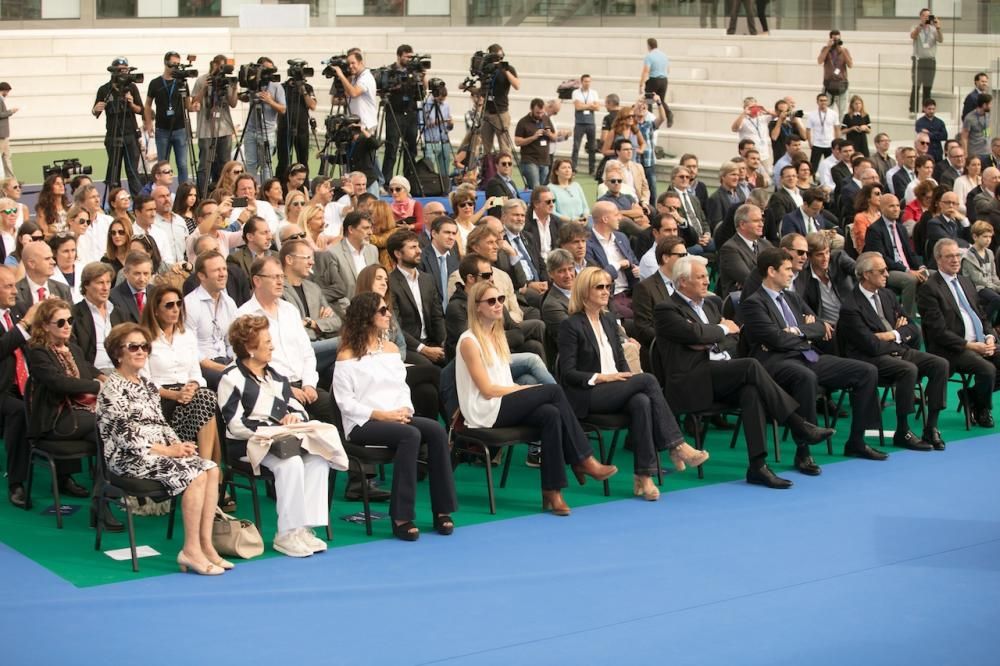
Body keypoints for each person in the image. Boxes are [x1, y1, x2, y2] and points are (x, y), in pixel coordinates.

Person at [656, 255, 834, 488]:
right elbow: (699, 335)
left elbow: (733, 338)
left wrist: (710, 336)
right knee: (751, 365)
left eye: (707, 276)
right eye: (700, 277)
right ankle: (798, 424)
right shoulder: (666, 309)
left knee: (751, 390)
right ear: (681, 282)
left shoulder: (711, 304)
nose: (706, 281)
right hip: (692, 381)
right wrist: (718, 330)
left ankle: (758, 466)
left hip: (722, 373)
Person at [457, 280, 617, 515]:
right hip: (484, 410)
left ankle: (552, 492)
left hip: (502, 402)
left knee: (550, 414)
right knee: (552, 391)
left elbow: (502, 383)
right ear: (477, 307)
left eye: (501, 299)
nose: (498, 304)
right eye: (491, 301)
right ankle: (583, 459)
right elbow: (487, 390)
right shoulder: (469, 341)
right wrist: (523, 391)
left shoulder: (497, 335)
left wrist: (520, 390)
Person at [559, 267, 705, 500]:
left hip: (615, 387)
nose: (606, 291)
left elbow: (619, 361)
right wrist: (601, 377)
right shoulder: (571, 325)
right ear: (584, 291)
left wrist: (626, 379)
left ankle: (643, 477)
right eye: (600, 287)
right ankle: (676, 445)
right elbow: (567, 373)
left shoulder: (608, 319)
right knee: (647, 379)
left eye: (608, 287)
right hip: (588, 394)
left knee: (641, 401)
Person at [96, 322, 223, 572]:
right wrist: (167, 451)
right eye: (134, 346)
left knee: (211, 469)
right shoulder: (111, 389)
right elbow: (126, 437)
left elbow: (161, 424)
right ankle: (191, 550)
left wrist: (178, 444)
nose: (141, 351)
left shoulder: (146, 383)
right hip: (129, 459)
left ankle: (206, 544)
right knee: (196, 476)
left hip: (158, 454)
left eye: (145, 346)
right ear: (118, 353)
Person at [741, 248, 886, 462]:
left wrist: (798, 331)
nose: (792, 274)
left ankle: (857, 441)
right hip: (775, 362)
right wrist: (803, 334)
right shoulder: (754, 303)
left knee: (866, 371)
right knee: (805, 378)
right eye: (788, 269)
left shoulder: (792, 297)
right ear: (771, 271)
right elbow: (776, 340)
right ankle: (804, 452)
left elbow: (821, 327)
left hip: (807, 356)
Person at [333, 292, 456, 540]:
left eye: (387, 309)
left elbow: (402, 388)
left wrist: (404, 411)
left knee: (434, 430)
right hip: (362, 423)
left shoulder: (390, 349)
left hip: (395, 418)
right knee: (410, 435)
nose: (388, 314)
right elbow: (345, 403)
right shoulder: (346, 355)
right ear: (366, 316)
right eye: (382, 310)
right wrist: (382, 415)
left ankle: (442, 510)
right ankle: (401, 516)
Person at [218, 315, 333, 558]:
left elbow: (297, 406)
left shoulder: (276, 375)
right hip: (246, 446)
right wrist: (271, 429)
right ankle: (286, 533)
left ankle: (303, 529)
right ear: (250, 347)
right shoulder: (230, 378)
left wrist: (293, 418)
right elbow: (236, 424)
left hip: (282, 440)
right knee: (290, 462)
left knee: (318, 459)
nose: (272, 346)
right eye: (266, 341)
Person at [839, 251, 949, 451]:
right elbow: (870, 346)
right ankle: (903, 431)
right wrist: (898, 333)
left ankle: (931, 427)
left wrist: (891, 334)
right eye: (881, 271)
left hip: (896, 349)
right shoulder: (850, 306)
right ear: (866, 275)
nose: (887, 275)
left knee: (940, 364)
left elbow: (913, 329)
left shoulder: (888, 295)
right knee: (908, 370)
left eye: (886, 270)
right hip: (869, 359)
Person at [25, 299, 112, 512]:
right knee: (107, 423)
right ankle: (105, 499)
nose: (67, 326)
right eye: (61, 322)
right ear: (45, 325)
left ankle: (102, 502)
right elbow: (59, 383)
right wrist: (96, 386)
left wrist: (103, 377)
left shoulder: (73, 348)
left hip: (83, 415)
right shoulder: (38, 352)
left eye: (70, 320)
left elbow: (87, 368)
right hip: (56, 419)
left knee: (108, 435)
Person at [918, 238, 1000, 427]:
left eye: (957, 255)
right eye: (949, 257)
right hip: (951, 349)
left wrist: (989, 337)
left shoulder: (966, 281)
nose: (955, 260)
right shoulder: (929, 288)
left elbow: (982, 316)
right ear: (938, 260)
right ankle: (983, 409)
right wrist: (971, 346)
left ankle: (970, 396)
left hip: (979, 342)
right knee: (988, 370)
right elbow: (938, 332)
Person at [140, 283, 221, 465]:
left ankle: (204, 465)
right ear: (155, 310)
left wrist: (193, 385)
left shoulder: (187, 336)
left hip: (189, 395)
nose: (175, 309)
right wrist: (175, 395)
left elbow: (197, 374)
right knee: (207, 400)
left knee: (205, 396)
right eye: (169, 305)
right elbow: (145, 382)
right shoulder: (144, 338)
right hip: (161, 398)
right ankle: (209, 467)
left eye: (178, 304)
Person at [0, 266, 34, 507]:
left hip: (26, 384)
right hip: (2, 389)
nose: (15, 291)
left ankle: (64, 476)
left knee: (57, 398)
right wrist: (25, 326)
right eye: (8, 286)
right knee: (19, 411)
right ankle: (16, 482)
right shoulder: (23, 319)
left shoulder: (17, 312)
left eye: (14, 285)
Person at [387, 230, 447, 367]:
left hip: (432, 341)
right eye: (413, 247)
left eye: (418, 246)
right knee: (429, 368)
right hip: (408, 345)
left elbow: (437, 317)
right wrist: (423, 349)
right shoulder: (390, 283)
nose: (419, 250)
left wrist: (444, 342)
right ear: (398, 254)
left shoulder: (427, 279)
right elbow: (396, 327)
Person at [93, 57, 144, 196]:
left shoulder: (132, 88)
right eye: (121, 70)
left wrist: (132, 104)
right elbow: (95, 112)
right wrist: (96, 109)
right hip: (113, 135)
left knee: (133, 172)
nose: (124, 73)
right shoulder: (104, 90)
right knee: (114, 173)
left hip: (131, 136)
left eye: (126, 70)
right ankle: (115, 202)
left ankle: (137, 204)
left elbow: (142, 110)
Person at [143, 52, 193, 184]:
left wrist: (196, 101)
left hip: (180, 128)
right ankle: (162, 190)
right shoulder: (155, 83)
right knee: (162, 165)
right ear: (165, 63)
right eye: (173, 64)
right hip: (162, 129)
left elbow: (188, 105)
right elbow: (147, 105)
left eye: (178, 64)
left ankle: (184, 191)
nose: (175, 67)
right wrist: (148, 124)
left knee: (182, 164)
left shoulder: (181, 83)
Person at [191, 55, 239, 192]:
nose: (221, 69)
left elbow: (233, 103)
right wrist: (205, 88)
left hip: (225, 129)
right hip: (206, 129)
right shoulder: (202, 80)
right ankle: (203, 194)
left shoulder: (227, 81)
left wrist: (234, 88)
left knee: (225, 165)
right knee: (205, 166)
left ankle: (224, 192)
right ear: (213, 65)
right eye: (219, 66)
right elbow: (194, 102)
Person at [380, 45, 422, 182]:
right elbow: (383, 90)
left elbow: (422, 94)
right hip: (394, 112)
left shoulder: (415, 71)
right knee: (391, 147)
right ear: (399, 56)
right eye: (407, 57)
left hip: (411, 112)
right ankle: (386, 181)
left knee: (411, 149)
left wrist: (423, 76)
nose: (410, 59)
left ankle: (409, 179)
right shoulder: (390, 71)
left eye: (411, 57)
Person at [241, 56, 286, 182]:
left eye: (271, 70)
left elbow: (283, 109)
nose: (268, 73)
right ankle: (251, 191)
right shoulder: (253, 83)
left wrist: (269, 101)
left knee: (266, 165)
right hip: (251, 130)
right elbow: (243, 98)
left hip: (268, 131)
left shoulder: (277, 87)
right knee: (250, 164)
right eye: (266, 69)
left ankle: (266, 193)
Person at [275, 68, 317, 182]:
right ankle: (282, 186)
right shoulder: (283, 87)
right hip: (284, 129)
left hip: (302, 129)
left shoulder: (308, 88)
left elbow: (313, 105)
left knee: (303, 160)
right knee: (283, 161)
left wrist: (303, 90)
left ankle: (304, 186)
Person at [514, 98, 557, 190]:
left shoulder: (546, 119)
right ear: (531, 109)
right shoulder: (523, 122)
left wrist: (549, 134)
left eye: (542, 112)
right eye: (537, 113)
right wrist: (533, 137)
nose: (540, 115)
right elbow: (517, 142)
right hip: (530, 160)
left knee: (541, 189)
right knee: (536, 188)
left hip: (545, 160)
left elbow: (554, 137)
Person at [962, 221, 1000, 322]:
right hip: (977, 288)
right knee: (996, 299)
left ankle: (997, 324)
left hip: (989, 286)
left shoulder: (990, 253)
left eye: (990, 237)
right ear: (975, 237)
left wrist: (998, 285)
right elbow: (978, 280)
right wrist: (996, 287)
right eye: (985, 236)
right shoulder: (968, 256)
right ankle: (983, 321)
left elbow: (993, 275)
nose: (988, 240)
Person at [909, 9, 943, 115]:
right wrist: (921, 26)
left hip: (930, 61)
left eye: (928, 16)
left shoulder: (933, 29)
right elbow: (913, 36)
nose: (926, 18)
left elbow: (940, 39)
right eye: (924, 16)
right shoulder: (916, 27)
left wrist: (938, 28)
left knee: (928, 87)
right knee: (916, 85)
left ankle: (925, 110)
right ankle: (913, 110)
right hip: (918, 60)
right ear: (920, 17)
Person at [817, 31, 853, 118]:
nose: (836, 41)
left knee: (842, 112)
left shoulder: (845, 50)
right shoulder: (825, 49)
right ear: (830, 39)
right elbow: (820, 61)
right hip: (828, 84)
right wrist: (828, 47)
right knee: (827, 110)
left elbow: (850, 65)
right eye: (834, 39)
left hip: (842, 84)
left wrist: (843, 51)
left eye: (838, 39)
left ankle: (840, 130)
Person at [571, 74, 600, 174]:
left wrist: (584, 105)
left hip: (591, 123)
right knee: (576, 146)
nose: (587, 83)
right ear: (581, 82)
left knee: (592, 147)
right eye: (585, 81)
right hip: (579, 123)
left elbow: (597, 107)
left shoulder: (594, 93)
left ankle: (591, 169)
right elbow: (577, 107)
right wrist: (590, 105)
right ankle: (573, 167)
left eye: (589, 81)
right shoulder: (576, 92)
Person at [549, 158, 589, 223]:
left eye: (569, 168)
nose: (567, 170)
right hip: (564, 224)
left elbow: (586, 207)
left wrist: (585, 218)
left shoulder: (576, 185)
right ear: (556, 172)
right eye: (564, 168)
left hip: (581, 221)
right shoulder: (551, 188)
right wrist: (572, 221)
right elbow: (552, 212)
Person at [48, 234, 83, 304]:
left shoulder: (84, 269)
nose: (70, 255)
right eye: (66, 251)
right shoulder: (49, 275)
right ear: (54, 253)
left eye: (73, 250)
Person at [35, 174, 71, 239]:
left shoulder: (69, 207)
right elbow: (44, 233)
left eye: (62, 183)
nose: (61, 186)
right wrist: (60, 236)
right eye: (57, 184)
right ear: (50, 187)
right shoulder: (43, 209)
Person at [961, 94, 992, 160]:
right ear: (984, 105)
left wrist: (988, 142)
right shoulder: (969, 118)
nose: (991, 106)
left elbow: (987, 130)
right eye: (989, 104)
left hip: (987, 151)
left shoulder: (987, 115)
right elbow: (964, 137)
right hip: (974, 152)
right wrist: (965, 152)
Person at [0, 82, 17, 178]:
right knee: (5, 158)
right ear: (4, 90)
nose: (8, 94)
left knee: (7, 158)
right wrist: (11, 112)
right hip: (1, 135)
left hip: (4, 135)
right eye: (7, 91)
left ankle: (11, 179)